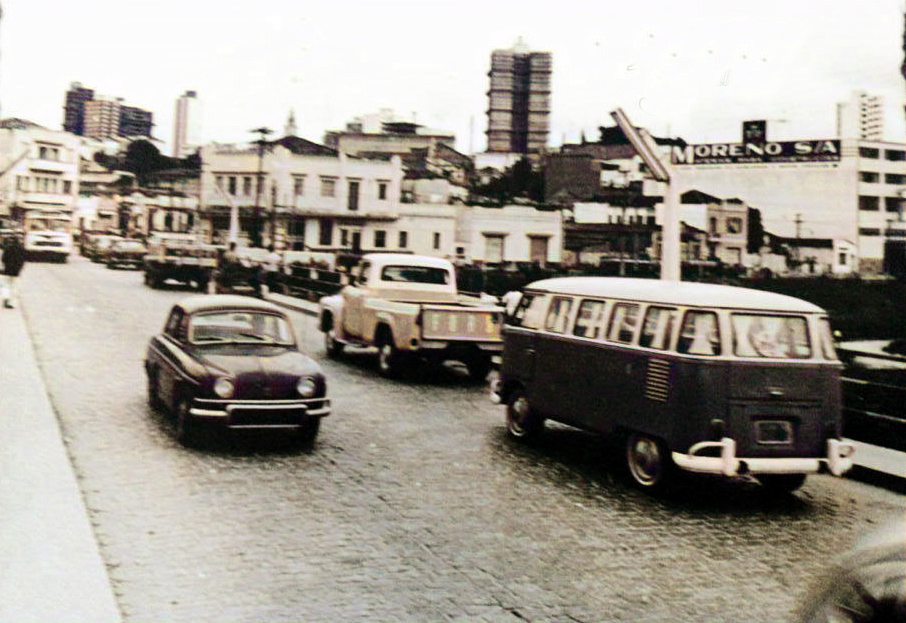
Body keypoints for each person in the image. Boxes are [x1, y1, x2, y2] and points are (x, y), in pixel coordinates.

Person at [2, 233, 27, 309]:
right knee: (14, 287)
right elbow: (23, 260)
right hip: (16, 271)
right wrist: (20, 268)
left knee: (6, 285)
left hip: (7, 270)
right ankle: (12, 303)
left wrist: (5, 265)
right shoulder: (22, 249)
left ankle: (6, 297)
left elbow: (3, 259)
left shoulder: (7, 248)